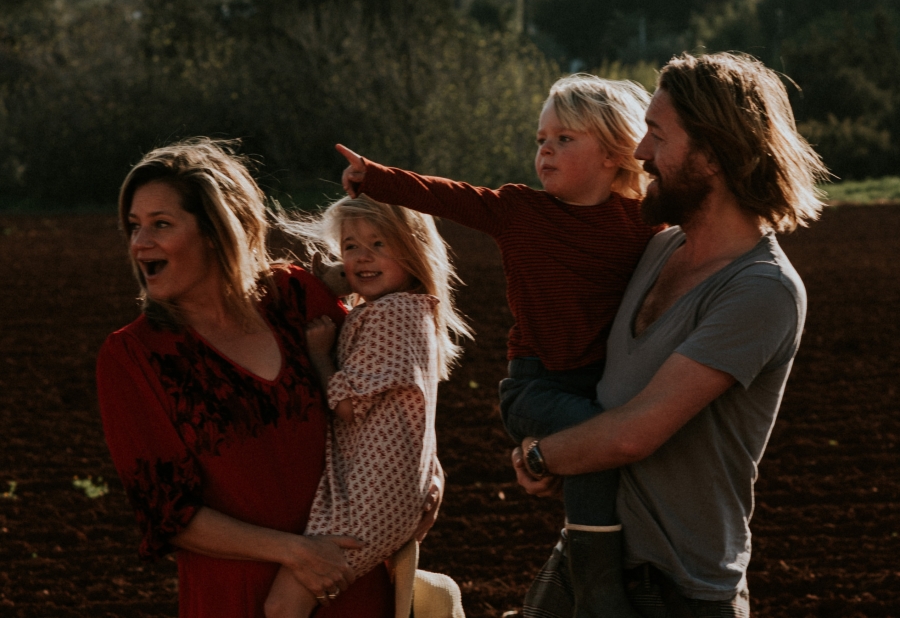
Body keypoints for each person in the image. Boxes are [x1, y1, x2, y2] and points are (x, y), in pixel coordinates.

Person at [512, 52, 828, 618]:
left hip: (677, 592)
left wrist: (542, 455)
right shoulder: (658, 250)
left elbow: (636, 433)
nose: (639, 153)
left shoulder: (761, 289)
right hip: (588, 561)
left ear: (711, 153)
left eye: (656, 135)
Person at [338, 75, 660, 617]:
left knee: (603, 450)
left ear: (612, 153)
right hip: (535, 387)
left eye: (563, 139)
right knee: (600, 442)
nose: (545, 151)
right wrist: (374, 178)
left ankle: (568, 597)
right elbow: (446, 196)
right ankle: (602, 589)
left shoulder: (643, 222)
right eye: (540, 140)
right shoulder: (519, 212)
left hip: (603, 384)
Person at [96, 140, 415, 618]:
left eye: (161, 224)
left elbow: (388, 401)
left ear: (217, 230)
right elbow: (170, 515)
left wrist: (420, 483)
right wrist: (294, 552)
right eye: (134, 227)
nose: (140, 243)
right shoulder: (133, 358)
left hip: (352, 584)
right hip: (240, 598)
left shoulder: (295, 300)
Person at [263, 193, 470, 618]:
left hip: (368, 499)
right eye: (351, 246)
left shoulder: (386, 316)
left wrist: (320, 354)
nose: (362, 257)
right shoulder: (415, 310)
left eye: (379, 244)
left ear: (413, 249)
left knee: (283, 606)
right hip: (394, 491)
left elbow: (346, 408)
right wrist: (333, 281)